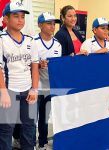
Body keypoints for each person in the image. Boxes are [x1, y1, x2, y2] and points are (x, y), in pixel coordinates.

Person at [0, 1, 39, 150]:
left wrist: (34, 89)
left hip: (28, 91)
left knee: (29, 128)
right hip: (9, 91)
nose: (20, 20)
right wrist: (3, 92)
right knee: (5, 130)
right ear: (6, 19)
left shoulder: (30, 40)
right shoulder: (2, 40)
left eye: (22, 17)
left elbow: (34, 66)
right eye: (15, 16)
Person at [34, 12, 62, 150]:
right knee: (31, 118)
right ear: (40, 25)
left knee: (45, 118)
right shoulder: (33, 42)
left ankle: (42, 143)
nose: (52, 26)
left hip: (50, 87)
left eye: (53, 24)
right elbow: (25, 64)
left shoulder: (57, 44)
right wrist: (38, 64)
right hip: (35, 86)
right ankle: (28, 143)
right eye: (48, 23)